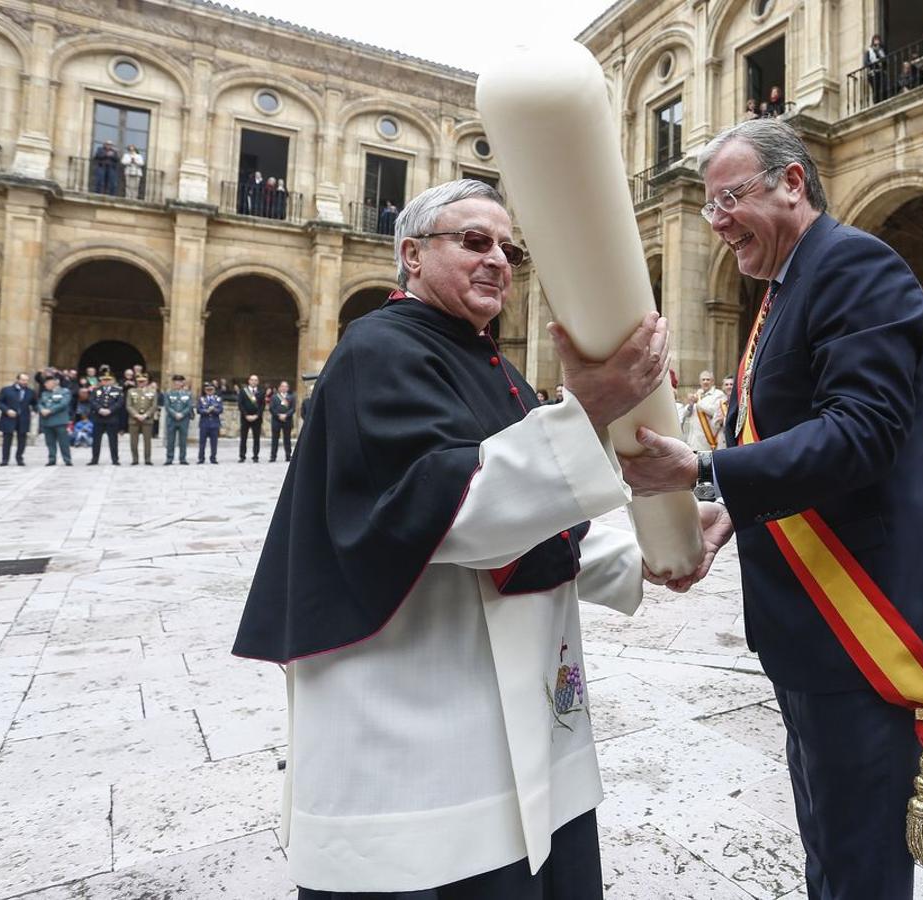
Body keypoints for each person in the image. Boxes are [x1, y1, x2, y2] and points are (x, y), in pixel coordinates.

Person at [232, 179, 667, 898]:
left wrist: (652, 558)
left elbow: (538, 514)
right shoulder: (380, 350)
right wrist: (585, 409)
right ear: (411, 253)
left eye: (509, 249)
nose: (498, 258)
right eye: (474, 241)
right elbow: (457, 510)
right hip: (419, 706)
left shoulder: (490, 363)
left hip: (511, 700)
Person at [619, 119, 923, 897]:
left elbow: (862, 431)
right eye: (708, 205)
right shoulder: (786, 288)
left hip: (866, 617)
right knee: (831, 842)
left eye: (729, 198)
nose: (715, 221)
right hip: (813, 625)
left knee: (860, 861)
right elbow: (792, 433)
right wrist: (731, 513)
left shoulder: (854, 266)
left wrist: (710, 466)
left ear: (792, 183)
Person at [0, 372, 35, 466]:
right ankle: (5, 459)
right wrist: (7, 410)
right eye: (23, 380)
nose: (25, 382)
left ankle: (19, 458)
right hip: (9, 417)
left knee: (22, 439)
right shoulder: (6, 390)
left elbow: (35, 403)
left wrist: (34, 411)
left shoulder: (30, 392)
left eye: (26, 380)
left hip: (23, 418)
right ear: (17, 380)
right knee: (7, 439)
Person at [682, 370, 725, 451]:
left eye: (708, 380)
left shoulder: (719, 394)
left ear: (712, 381)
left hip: (708, 440)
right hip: (693, 440)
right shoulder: (698, 394)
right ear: (700, 382)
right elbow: (685, 414)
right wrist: (691, 404)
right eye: (703, 380)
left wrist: (698, 403)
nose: (705, 382)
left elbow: (715, 411)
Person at [88, 370, 125, 465]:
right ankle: (94, 459)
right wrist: (99, 409)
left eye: (108, 380)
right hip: (98, 417)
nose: (106, 382)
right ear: (101, 381)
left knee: (113, 440)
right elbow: (92, 401)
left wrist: (110, 410)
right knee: (96, 440)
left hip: (112, 418)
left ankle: (115, 459)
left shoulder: (117, 390)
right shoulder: (96, 390)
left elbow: (120, 402)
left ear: (112, 381)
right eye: (104, 380)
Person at [37, 373, 74, 466]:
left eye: (47, 383)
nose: (45, 385)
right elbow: (39, 403)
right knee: (50, 442)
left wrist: (50, 410)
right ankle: (52, 459)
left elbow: (63, 404)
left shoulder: (64, 392)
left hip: (59, 421)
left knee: (63, 442)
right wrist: (41, 409)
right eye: (45, 383)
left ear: (54, 383)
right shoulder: (44, 393)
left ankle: (67, 459)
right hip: (47, 421)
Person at [126, 372, 159, 464]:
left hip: (147, 419)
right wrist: (136, 415)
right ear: (136, 382)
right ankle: (135, 459)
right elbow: (128, 405)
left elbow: (154, 405)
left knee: (147, 441)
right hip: (134, 419)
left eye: (143, 381)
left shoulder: (152, 392)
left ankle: (147, 459)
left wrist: (145, 415)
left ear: (147, 381)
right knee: (133, 441)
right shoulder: (131, 391)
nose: (141, 383)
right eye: (139, 381)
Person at [163, 375, 193, 465]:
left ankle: (182, 458)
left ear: (182, 383)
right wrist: (175, 414)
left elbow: (189, 406)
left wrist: (182, 414)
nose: (177, 383)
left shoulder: (187, 394)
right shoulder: (169, 393)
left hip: (184, 420)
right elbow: (167, 406)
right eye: (175, 382)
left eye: (179, 382)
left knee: (183, 440)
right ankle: (169, 458)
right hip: (172, 419)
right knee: (170, 440)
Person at [238, 374, 266, 462]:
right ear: (249, 381)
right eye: (252, 380)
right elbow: (240, 404)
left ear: (258, 382)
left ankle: (255, 456)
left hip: (256, 418)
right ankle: (242, 456)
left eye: (255, 380)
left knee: (256, 438)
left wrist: (256, 415)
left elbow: (262, 405)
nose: (253, 382)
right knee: (243, 438)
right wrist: (246, 415)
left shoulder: (261, 392)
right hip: (245, 418)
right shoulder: (243, 391)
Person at [269, 380, 296, 462]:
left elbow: (293, 408)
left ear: (288, 388)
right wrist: (278, 415)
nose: (284, 388)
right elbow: (271, 408)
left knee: (287, 439)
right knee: (275, 439)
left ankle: (288, 456)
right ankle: (273, 456)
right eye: (282, 386)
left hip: (287, 420)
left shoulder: (291, 397)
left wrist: (286, 415)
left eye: (286, 386)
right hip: (276, 420)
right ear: (279, 387)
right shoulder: (274, 397)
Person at [197, 382, 223, 463]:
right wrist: (206, 411)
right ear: (205, 390)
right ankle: (201, 458)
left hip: (214, 424)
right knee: (202, 443)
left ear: (214, 390)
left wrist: (214, 410)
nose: (209, 391)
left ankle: (213, 458)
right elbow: (199, 410)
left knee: (214, 443)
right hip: (204, 423)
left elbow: (220, 409)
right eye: (207, 390)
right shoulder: (202, 399)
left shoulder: (218, 399)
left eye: (211, 389)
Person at [864, 34, 888, 105]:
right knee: (876, 89)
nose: (877, 41)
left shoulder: (881, 50)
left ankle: (882, 101)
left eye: (878, 40)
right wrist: (874, 62)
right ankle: (876, 102)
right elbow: (866, 63)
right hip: (873, 73)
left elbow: (885, 61)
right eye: (875, 40)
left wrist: (879, 52)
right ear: (873, 41)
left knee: (883, 88)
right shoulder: (869, 51)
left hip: (881, 72)